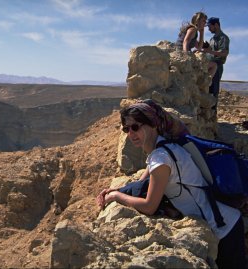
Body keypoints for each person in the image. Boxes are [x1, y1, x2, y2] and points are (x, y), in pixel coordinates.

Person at [96, 100, 246, 268]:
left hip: (224, 229)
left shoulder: (161, 159)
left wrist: (116, 196)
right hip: (225, 221)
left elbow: (149, 206)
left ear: (153, 124)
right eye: (126, 129)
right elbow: (144, 181)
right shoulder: (165, 146)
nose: (131, 134)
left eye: (136, 127)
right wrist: (121, 189)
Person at [175, 12, 217, 78]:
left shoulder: (194, 31)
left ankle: (204, 82)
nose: (205, 23)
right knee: (214, 65)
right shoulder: (192, 29)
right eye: (203, 20)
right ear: (197, 20)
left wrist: (202, 33)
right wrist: (186, 57)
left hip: (182, 53)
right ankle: (206, 82)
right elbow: (185, 42)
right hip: (181, 54)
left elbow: (199, 47)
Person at [203, 17, 230, 104]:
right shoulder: (212, 39)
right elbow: (209, 52)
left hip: (217, 66)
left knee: (213, 91)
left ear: (216, 25)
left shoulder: (223, 38)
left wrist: (209, 51)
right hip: (209, 65)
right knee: (206, 89)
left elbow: (224, 52)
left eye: (210, 26)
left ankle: (212, 114)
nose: (208, 28)